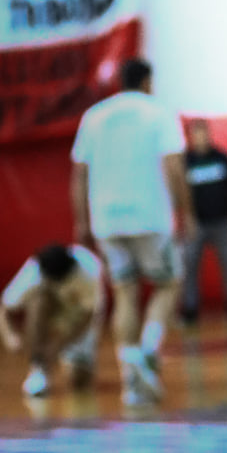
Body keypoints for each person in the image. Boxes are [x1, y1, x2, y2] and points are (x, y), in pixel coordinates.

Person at [70, 57, 195, 407]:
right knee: (168, 284)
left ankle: (130, 378)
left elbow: (79, 173)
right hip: (151, 216)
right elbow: (173, 166)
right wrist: (185, 211)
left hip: (106, 219)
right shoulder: (159, 113)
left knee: (124, 292)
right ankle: (148, 350)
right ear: (147, 82)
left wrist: (81, 222)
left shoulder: (93, 117)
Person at [0, 243, 104, 398]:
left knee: (80, 381)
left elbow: (88, 317)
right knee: (39, 302)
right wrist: (9, 336)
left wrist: (60, 344)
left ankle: (71, 361)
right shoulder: (33, 272)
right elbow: (5, 308)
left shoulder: (89, 270)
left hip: (77, 315)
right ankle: (38, 367)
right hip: (50, 310)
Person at [181, 118, 227, 324]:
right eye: (196, 134)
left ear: (209, 135)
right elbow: (179, 193)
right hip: (196, 225)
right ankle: (189, 313)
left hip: (223, 223)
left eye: (203, 133)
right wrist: (185, 219)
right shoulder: (185, 163)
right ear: (191, 137)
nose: (200, 138)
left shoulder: (222, 159)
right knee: (189, 267)